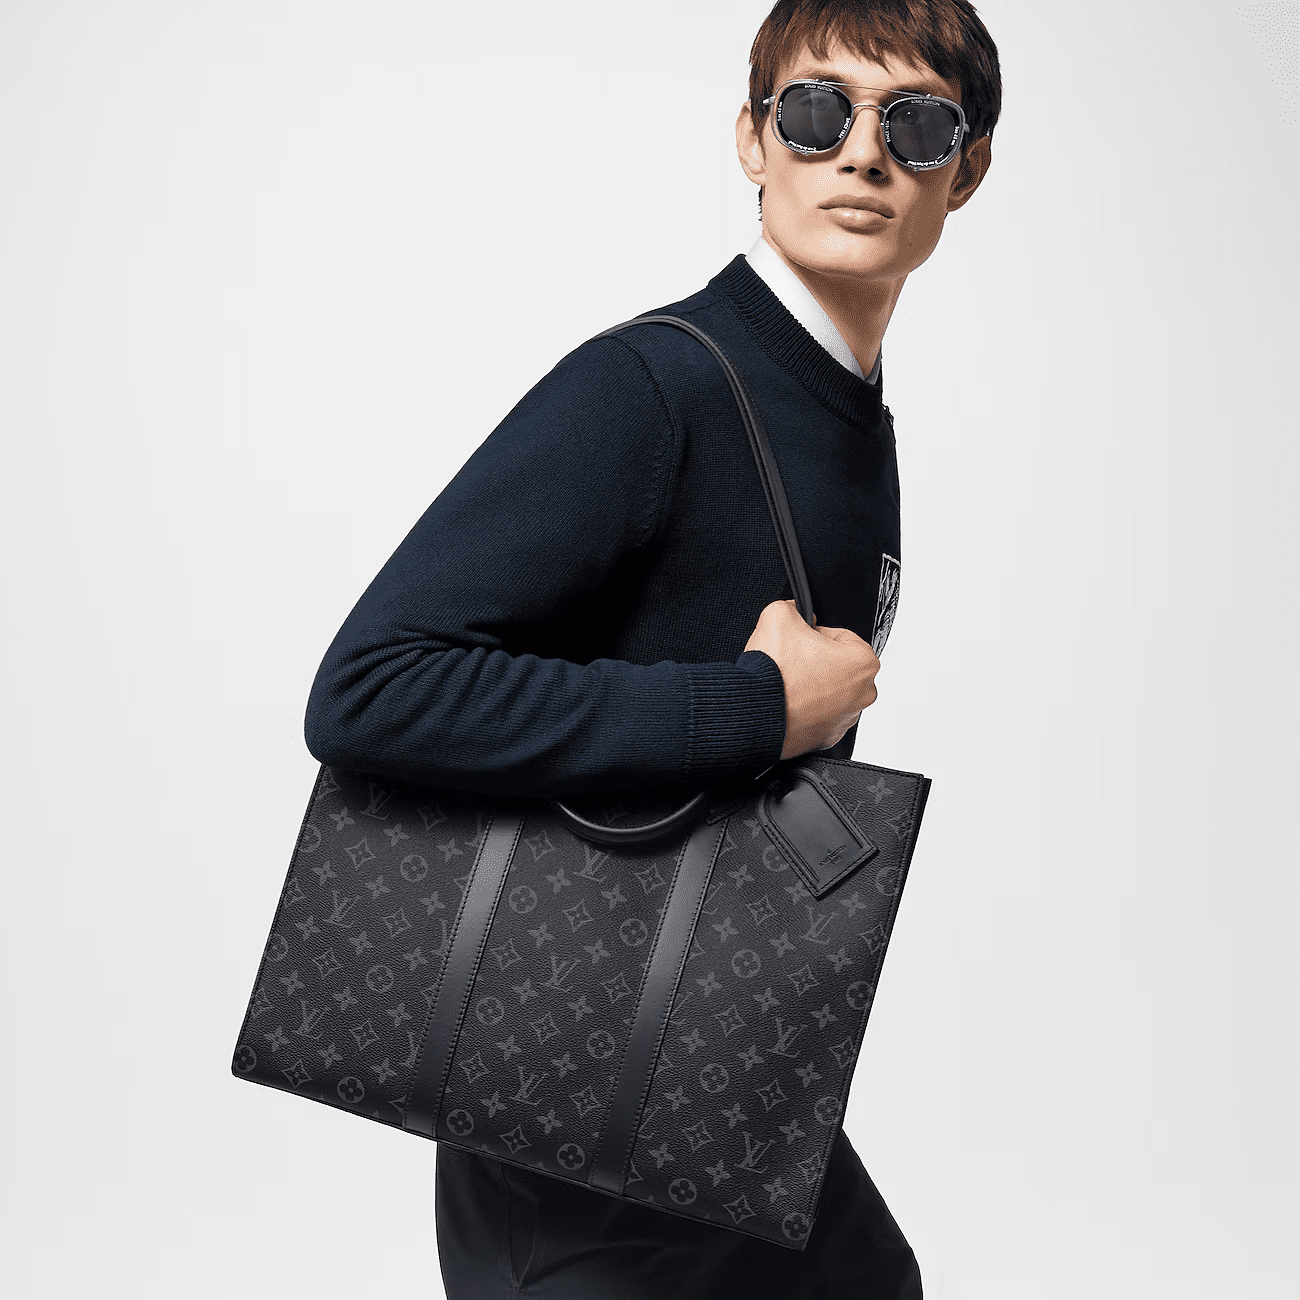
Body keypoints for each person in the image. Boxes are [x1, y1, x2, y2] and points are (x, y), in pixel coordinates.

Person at [303, 0, 999, 1293]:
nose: (861, 152)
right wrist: (753, 706)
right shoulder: (655, 388)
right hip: (568, 1133)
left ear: (967, 171)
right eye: (816, 112)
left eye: (915, 124)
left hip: (724, 1090)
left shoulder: (847, 415)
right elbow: (371, 689)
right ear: (752, 140)